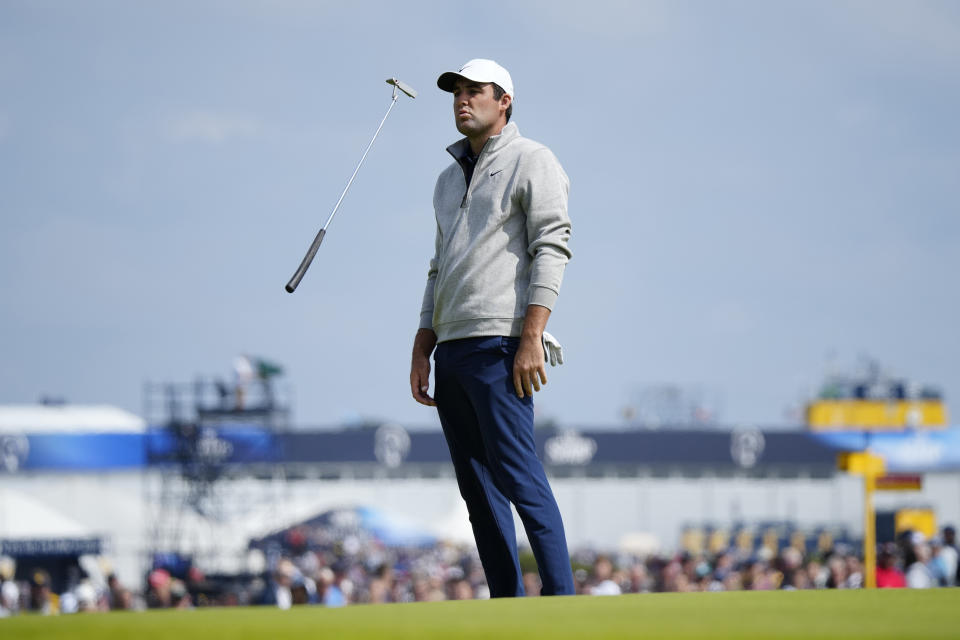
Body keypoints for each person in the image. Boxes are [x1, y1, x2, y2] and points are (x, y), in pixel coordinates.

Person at [410, 58, 575, 597]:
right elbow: (438, 266)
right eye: (456, 91)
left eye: (474, 90)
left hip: (503, 344)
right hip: (451, 349)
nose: (461, 99)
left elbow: (552, 244)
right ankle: (509, 607)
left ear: (504, 100)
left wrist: (531, 337)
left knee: (520, 480)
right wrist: (422, 344)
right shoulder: (443, 180)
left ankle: (563, 602)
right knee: (478, 494)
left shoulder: (533, 159)